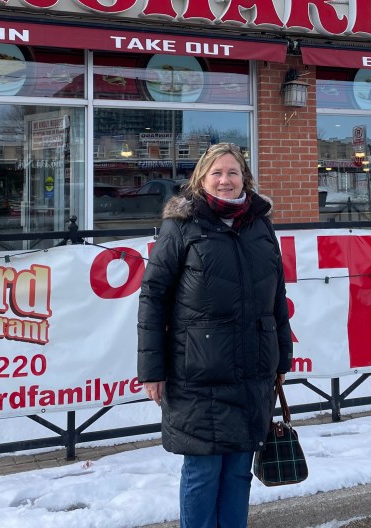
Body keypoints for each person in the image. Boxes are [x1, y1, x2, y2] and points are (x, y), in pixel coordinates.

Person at [137, 143, 293, 528]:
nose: (225, 180)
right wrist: (151, 370)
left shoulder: (260, 224)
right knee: (203, 474)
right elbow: (153, 297)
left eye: (233, 172)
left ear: (245, 178)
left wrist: (281, 359)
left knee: (239, 472)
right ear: (202, 179)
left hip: (252, 370)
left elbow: (276, 295)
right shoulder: (182, 225)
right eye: (217, 173)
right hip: (198, 372)